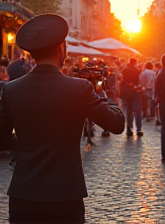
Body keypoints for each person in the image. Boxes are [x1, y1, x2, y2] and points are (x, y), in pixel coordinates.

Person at [0, 14, 125, 224]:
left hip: (23, 194)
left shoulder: (11, 89)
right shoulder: (79, 88)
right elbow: (117, 124)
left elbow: (1, 138)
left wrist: (26, 144)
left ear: (31, 54)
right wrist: (108, 93)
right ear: (62, 49)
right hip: (65, 195)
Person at [121, 57, 143, 136]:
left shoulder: (124, 70)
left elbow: (121, 80)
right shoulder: (138, 70)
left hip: (126, 93)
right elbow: (141, 81)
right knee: (137, 111)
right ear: (135, 62)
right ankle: (138, 129)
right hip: (135, 92)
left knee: (128, 111)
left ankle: (129, 128)